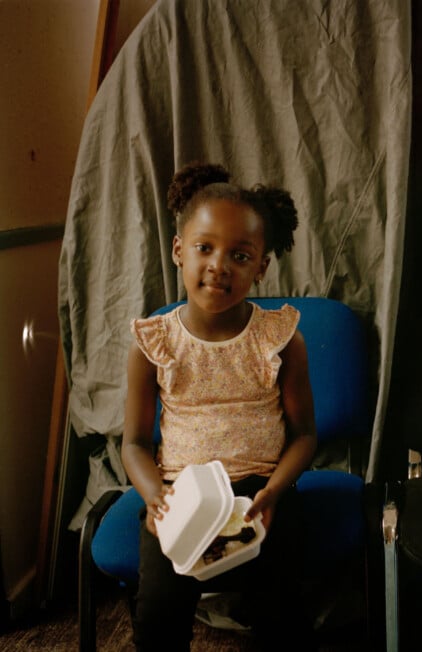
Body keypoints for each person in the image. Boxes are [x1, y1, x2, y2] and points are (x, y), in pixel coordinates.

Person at [122, 162, 318, 651]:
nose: (219, 265)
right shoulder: (154, 342)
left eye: (240, 255)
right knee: (158, 618)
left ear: (261, 267)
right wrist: (156, 497)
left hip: (260, 494)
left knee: (285, 615)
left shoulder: (280, 339)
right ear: (178, 250)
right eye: (204, 248)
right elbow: (134, 443)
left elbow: (305, 436)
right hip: (180, 495)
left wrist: (273, 493)